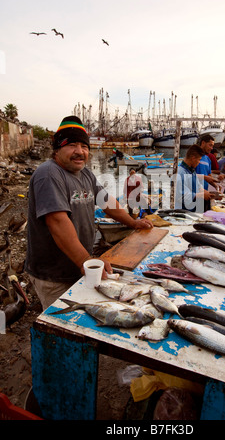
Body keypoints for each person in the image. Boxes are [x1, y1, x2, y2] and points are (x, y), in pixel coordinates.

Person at [25, 116, 153, 310]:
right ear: (57, 149)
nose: (80, 152)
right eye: (72, 145)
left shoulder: (85, 174)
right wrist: (85, 260)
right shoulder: (49, 173)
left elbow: (107, 201)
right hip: (54, 275)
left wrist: (133, 223)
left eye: (84, 146)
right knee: (62, 323)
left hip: (78, 265)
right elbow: (57, 222)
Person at [175, 144, 213, 212]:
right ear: (193, 158)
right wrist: (201, 195)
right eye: (199, 160)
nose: (199, 162)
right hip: (182, 211)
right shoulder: (180, 173)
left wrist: (208, 193)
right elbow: (182, 196)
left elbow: (198, 186)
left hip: (192, 208)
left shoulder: (192, 170)